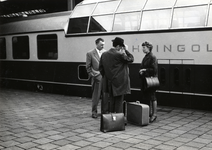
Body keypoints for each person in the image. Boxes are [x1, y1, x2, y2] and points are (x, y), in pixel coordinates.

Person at [99, 37, 134, 113]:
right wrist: (126, 50)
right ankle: (118, 121)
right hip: (120, 84)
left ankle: (111, 119)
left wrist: (108, 77)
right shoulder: (120, 54)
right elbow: (131, 59)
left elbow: (101, 69)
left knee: (111, 101)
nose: (121, 48)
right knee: (119, 103)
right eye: (121, 47)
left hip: (109, 83)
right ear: (118, 46)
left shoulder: (104, 54)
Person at [86, 38, 106, 118]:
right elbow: (88, 66)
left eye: (103, 44)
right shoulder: (90, 53)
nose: (103, 46)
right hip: (96, 78)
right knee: (96, 96)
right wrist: (93, 75)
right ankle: (94, 112)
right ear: (96, 44)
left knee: (105, 95)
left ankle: (104, 111)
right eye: (101, 44)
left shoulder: (106, 52)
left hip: (105, 77)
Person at [139, 41, 158, 123]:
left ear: (149, 48)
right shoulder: (147, 56)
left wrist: (144, 70)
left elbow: (154, 70)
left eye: (144, 47)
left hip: (150, 80)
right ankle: (150, 113)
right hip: (146, 79)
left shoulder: (152, 57)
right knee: (149, 96)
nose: (143, 49)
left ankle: (154, 114)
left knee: (152, 97)